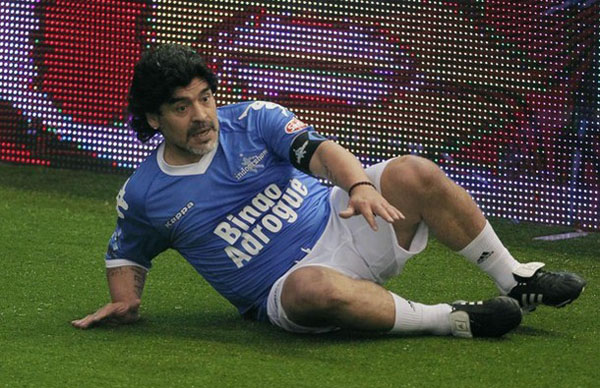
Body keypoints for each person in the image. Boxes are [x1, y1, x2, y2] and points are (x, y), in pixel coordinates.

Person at [72, 43, 586, 338]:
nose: (202, 115)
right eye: (182, 107)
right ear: (153, 119)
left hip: (349, 221)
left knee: (412, 171)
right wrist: (125, 301)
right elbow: (127, 253)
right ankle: (450, 319)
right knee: (310, 288)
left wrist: (360, 185)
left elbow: (320, 152)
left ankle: (515, 277)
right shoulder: (144, 194)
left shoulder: (252, 119)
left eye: (205, 98)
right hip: (289, 289)